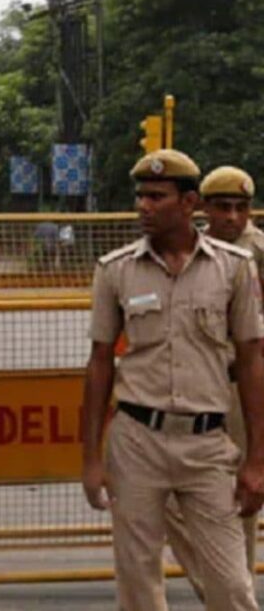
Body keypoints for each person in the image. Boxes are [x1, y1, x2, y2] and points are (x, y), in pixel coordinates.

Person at [82, 149, 264, 611]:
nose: (144, 205)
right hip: (136, 442)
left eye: (156, 196)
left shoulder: (234, 267)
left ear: (188, 204)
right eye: (141, 195)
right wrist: (90, 459)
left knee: (233, 588)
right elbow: (100, 363)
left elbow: (250, 360)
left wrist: (257, 460)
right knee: (139, 587)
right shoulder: (115, 270)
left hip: (207, 445)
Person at [164, 165, 264, 598]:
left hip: (240, 390)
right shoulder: (189, 251)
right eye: (223, 207)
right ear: (202, 208)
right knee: (164, 498)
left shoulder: (257, 252)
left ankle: (233, 595)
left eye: (241, 208)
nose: (233, 218)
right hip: (193, 391)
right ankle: (222, 591)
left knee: (239, 502)